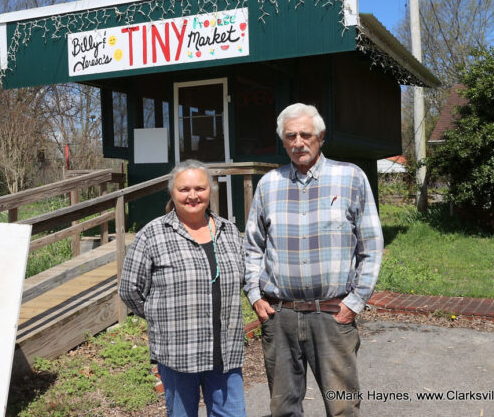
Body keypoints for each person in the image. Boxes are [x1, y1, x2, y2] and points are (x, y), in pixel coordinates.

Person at [244, 103, 384, 417]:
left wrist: (355, 302)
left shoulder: (350, 178)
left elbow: (371, 247)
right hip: (281, 316)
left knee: (342, 408)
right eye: (290, 136)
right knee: (283, 409)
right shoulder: (269, 185)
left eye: (305, 134)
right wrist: (255, 297)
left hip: (332, 316)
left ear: (320, 136)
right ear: (283, 141)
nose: (298, 142)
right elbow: (253, 247)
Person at [119, 159, 246, 417]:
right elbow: (130, 289)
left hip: (226, 351)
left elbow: (243, 279)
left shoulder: (229, 231)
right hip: (178, 352)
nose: (192, 196)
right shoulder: (152, 234)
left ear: (210, 190)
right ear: (172, 192)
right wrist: (161, 315)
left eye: (199, 188)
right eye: (184, 189)